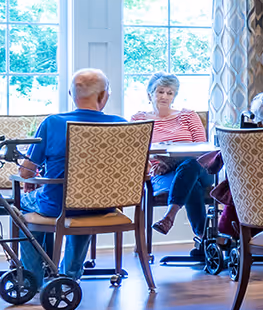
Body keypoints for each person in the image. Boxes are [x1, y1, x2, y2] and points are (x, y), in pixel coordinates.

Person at [13, 69, 124, 288]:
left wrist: (30, 174)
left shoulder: (53, 123)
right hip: (104, 206)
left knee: (20, 205)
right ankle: (69, 276)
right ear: (103, 96)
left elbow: (26, 172)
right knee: (85, 199)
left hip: (56, 205)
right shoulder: (121, 124)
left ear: (71, 94)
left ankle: (33, 279)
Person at [133, 74, 208, 240]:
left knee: (190, 165)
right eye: (160, 92)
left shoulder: (188, 116)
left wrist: (170, 162)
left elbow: (202, 151)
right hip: (160, 173)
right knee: (190, 183)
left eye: (170, 93)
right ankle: (203, 238)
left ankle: (169, 217)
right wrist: (151, 167)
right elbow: (135, 153)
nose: (165, 96)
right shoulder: (138, 119)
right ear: (150, 94)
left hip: (199, 169)